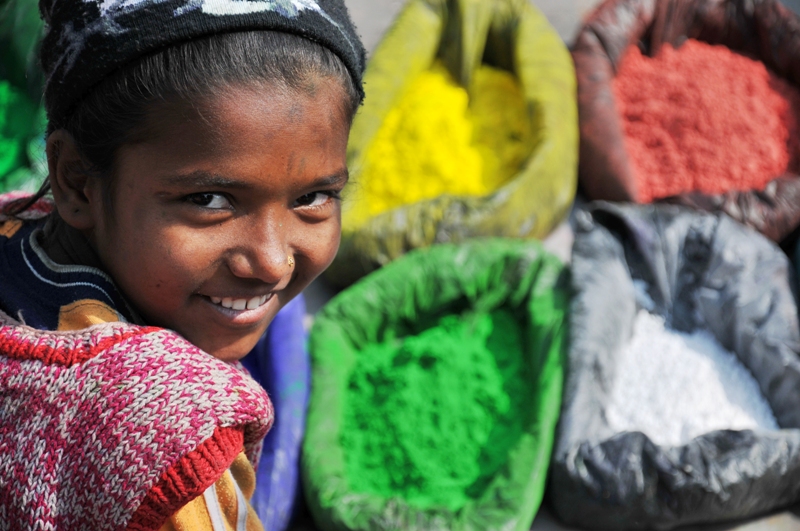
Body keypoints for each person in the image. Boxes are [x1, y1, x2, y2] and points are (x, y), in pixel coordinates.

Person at [0, 0, 365, 528]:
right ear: (77, 180)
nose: (270, 261)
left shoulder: (16, 225)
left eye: (314, 197)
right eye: (209, 201)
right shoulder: (175, 445)